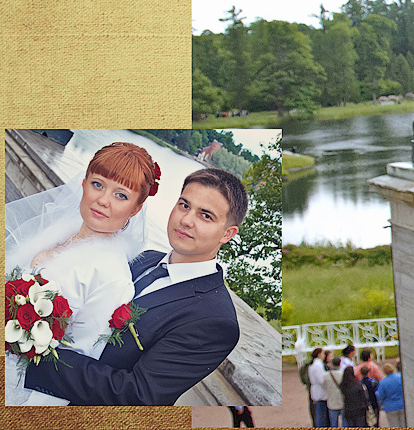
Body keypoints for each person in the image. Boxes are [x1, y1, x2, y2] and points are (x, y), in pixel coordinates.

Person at [24, 167, 247, 405]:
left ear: (227, 234)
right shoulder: (146, 258)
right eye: (184, 205)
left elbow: (138, 394)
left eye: (205, 216)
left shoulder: (215, 321)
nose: (186, 220)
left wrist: (35, 353)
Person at [5, 142, 160, 406]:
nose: (103, 200)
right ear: (84, 182)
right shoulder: (59, 233)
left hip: (17, 387)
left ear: (135, 208)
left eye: (121, 195)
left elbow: (75, 364)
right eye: (98, 184)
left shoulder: (112, 278)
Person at [375, 361, 405, 427]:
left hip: (390, 407)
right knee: (404, 424)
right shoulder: (400, 377)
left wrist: (381, 403)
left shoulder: (383, 382)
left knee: (394, 425)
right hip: (402, 404)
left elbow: (380, 396)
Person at [308, 347, 329, 427]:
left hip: (317, 390)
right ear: (319, 354)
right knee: (321, 414)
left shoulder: (314, 364)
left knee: (320, 412)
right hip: (320, 391)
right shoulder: (318, 365)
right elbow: (321, 379)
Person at [324, 356, 346, 427]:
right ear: (340, 364)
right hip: (342, 401)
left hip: (332, 402)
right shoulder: (343, 374)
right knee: (344, 422)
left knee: (334, 423)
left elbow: (324, 386)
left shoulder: (326, 375)